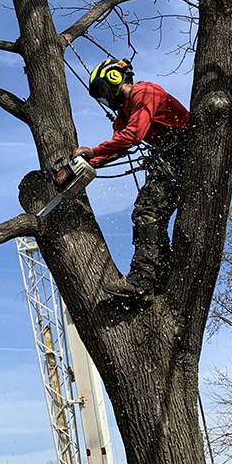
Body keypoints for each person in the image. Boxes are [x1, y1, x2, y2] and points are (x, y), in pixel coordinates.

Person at [73, 58, 190, 298]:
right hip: (169, 158)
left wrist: (93, 150)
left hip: (184, 152)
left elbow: (134, 136)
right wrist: (83, 166)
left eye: (104, 90)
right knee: (151, 215)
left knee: (146, 211)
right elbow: (117, 145)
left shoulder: (144, 92)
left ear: (115, 78)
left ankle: (142, 280)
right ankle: (158, 278)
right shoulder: (123, 115)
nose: (105, 97)